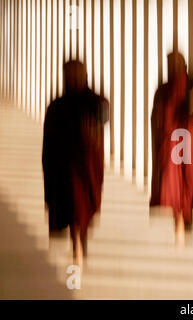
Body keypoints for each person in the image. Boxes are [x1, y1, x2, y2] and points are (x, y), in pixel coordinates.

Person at [42, 60, 109, 270]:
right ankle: (77, 246)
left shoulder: (96, 101)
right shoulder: (57, 105)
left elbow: (103, 118)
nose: (73, 78)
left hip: (88, 163)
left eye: (77, 74)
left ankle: (80, 241)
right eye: (69, 74)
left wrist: (94, 128)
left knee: (83, 205)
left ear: (85, 74)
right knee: (72, 204)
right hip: (65, 164)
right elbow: (49, 139)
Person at [150, 52, 193, 246]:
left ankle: (187, 214)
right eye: (169, 63)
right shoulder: (163, 90)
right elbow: (155, 117)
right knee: (173, 183)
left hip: (189, 140)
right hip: (170, 143)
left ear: (183, 64)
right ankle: (178, 221)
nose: (172, 67)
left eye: (176, 63)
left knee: (190, 179)